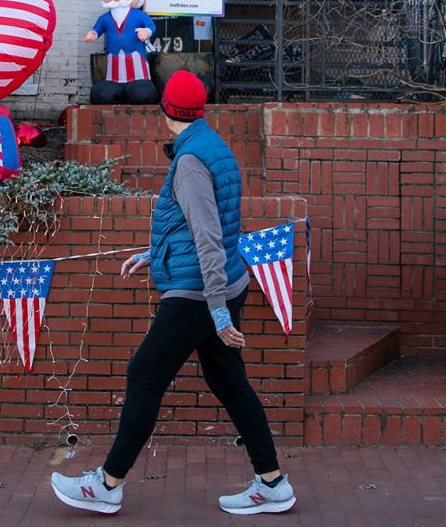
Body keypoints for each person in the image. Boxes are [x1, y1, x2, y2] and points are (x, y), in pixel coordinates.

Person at [51, 70, 295, 516]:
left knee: (145, 373)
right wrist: (153, 253)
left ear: (166, 110)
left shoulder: (189, 162)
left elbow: (207, 238)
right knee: (228, 380)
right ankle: (273, 482)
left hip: (199, 291)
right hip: (214, 281)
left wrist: (218, 313)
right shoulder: (214, 147)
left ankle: (108, 483)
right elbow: (203, 223)